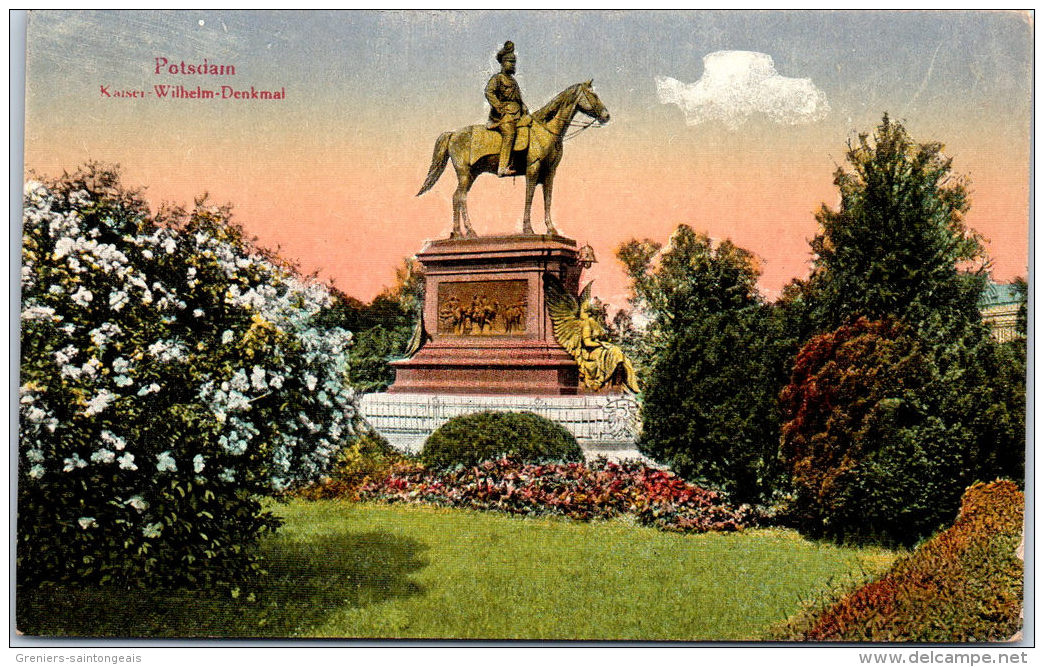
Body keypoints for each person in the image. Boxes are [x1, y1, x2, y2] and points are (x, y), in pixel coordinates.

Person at [485, 41, 528, 177]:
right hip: (502, 116)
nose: (513, 65)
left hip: (517, 114)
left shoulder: (513, 81)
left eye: (514, 62)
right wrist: (498, 107)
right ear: (503, 63)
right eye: (510, 62)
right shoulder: (497, 78)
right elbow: (489, 92)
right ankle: (502, 167)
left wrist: (524, 108)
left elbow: (518, 100)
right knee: (509, 133)